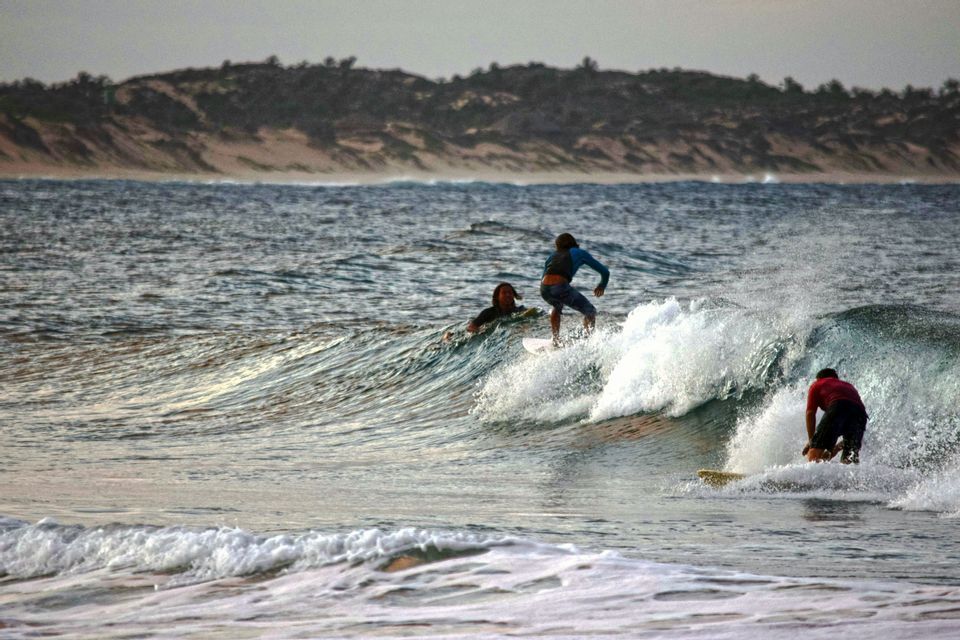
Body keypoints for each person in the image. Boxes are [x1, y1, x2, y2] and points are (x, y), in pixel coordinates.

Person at [539, 232, 609, 344]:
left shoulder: (551, 256)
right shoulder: (579, 253)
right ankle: (588, 343)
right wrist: (602, 285)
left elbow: (544, 276)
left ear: (557, 246)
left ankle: (555, 340)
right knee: (590, 311)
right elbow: (605, 272)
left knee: (557, 306)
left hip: (543, 289)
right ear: (574, 243)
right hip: (559, 287)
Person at [802, 368, 868, 464]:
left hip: (838, 406)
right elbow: (850, 428)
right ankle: (850, 478)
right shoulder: (849, 386)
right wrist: (836, 449)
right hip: (861, 414)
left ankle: (808, 478)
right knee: (849, 462)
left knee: (814, 455)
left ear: (819, 379)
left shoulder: (817, 384)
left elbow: (810, 413)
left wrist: (812, 442)